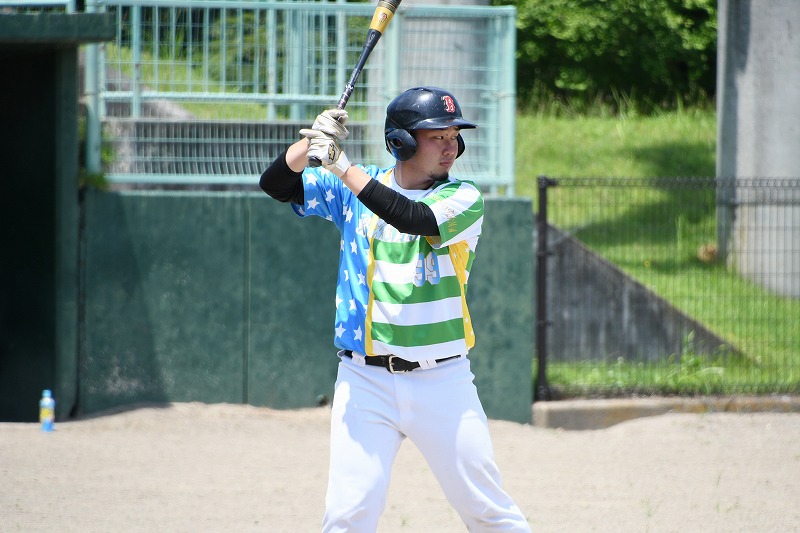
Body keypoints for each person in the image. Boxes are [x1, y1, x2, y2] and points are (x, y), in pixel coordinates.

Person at [259, 86, 531, 532]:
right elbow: (276, 185)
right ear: (400, 141)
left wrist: (340, 164)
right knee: (347, 515)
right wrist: (309, 145)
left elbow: (410, 217)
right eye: (437, 137)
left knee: (488, 511)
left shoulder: (463, 198)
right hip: (364, 379)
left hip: (442, 380)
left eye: (454, 137)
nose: (450, 147)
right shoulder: (355, 186)